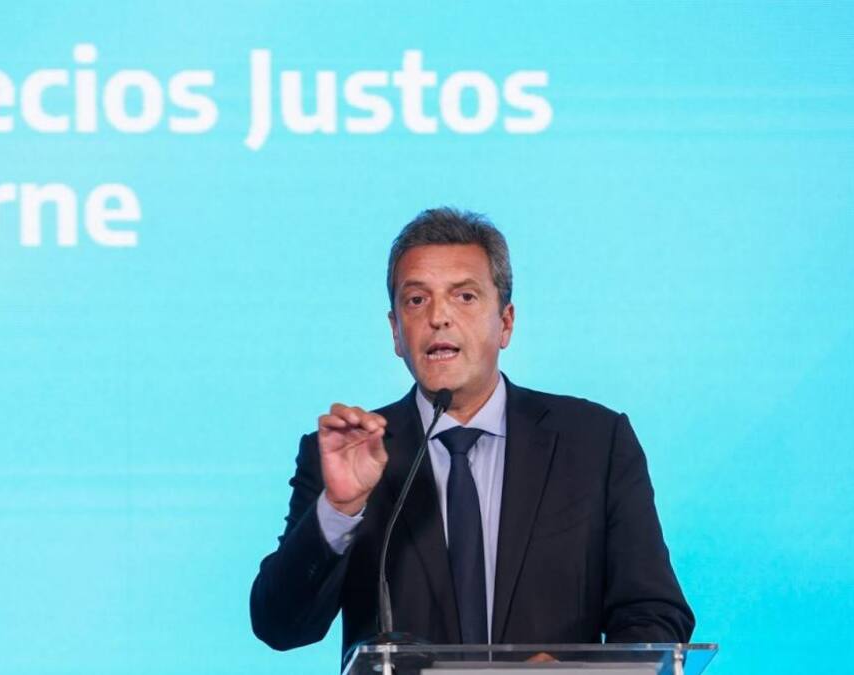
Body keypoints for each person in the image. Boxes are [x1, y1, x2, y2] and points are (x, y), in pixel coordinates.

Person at [250, 208, 694, 662]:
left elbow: (653, 614)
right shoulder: (349, 454)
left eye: (464, 296)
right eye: (416, 300)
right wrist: (340, 509)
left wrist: (580, 673)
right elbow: (281, 626)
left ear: (505, 322)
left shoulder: (595, 443)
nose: (439, 317)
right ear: (396, 334)